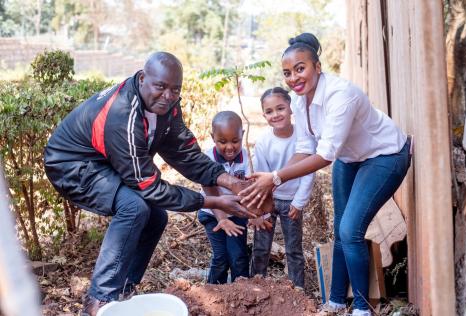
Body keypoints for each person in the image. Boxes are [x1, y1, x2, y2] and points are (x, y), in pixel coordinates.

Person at [44, 52, 254, 316]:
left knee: (156, 216)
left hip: (106, 163)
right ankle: (99, 300)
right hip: (71, 166)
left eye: (175, 89)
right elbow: (150, 187)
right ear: (143, 78)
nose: (167, 95)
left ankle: (125, 292)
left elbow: (185, 153)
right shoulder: (124, 116)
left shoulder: (168, 107)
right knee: (135, 207)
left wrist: (231, 182)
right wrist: (212, 201)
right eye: (161, 87)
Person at [240, 33, 411, 316]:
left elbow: (325, 155)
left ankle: (361, 308)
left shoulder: (340, 95)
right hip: (350, 157)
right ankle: (334, 302)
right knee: (341, 228)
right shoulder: (298, 101)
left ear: (317, 67)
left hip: (385, 155)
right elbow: (306, 148)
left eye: (300, 68)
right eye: (287, 73)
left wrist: (277, 177)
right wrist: (271, 180)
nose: (294, 77)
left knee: (350, 230)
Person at [249, 87, 314, 290]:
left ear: (291, 108)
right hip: (269, 200)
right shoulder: (264, 142)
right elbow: (261, 177)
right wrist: (261, 208)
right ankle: (256, 284)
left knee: (293, 248)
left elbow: (308, 172)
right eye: (269, 111)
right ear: (264, 115)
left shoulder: (303, 137)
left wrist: (299, 201)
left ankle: (297, 289)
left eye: (280, 108)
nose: (275, 115)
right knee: (261, 245)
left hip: (292, 201)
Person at [198, 111, 251, 284]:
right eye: (222, 141)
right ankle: (214, 293)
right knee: (221, 258)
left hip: (236, 213)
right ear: (213, 137)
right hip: (213, 214)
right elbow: (211, 192)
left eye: (235, 141)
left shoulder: (247, 157)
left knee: (238, 257)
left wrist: (257, 215)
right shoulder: (207, 159)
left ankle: (243, 293)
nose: (229, 147)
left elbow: (250, 188)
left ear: (242, 135)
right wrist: (222, 219)